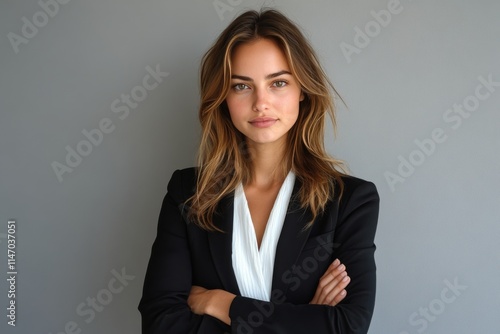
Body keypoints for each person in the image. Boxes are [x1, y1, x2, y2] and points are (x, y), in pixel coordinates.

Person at [138, 8, 379, 334]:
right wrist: (301, 320)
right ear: (223, 96)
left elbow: (348, 327)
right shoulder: (187, 193)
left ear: (303, 90)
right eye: (241, 86)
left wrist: (219, 303)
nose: (261, 103)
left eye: (278, 82)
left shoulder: (351, 200)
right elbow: (161, 324)